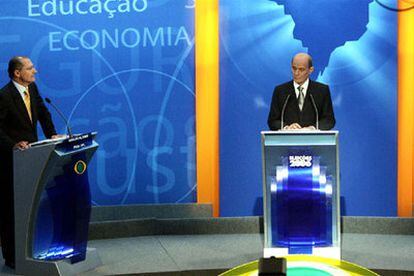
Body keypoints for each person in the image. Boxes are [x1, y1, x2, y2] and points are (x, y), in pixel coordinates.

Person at [0, 56, 59, 269]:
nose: (35, 71)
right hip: (11, 162)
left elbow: (43, 113)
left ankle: (31, 251)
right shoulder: (4, 96)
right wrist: (13, 144)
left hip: (32, 159)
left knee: (30, 204)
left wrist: (52, 134)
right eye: (30, 68)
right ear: (17, 73)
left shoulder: (32, 90)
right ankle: (12, 256)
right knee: (10, 209)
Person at [267, 53, 335, 130]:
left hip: (313, 140)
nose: (296, 73)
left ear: (310, 70)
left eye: (301, 69)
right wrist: (286, 127)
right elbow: (272, 121)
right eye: (294, 68)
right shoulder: (280, 91)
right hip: (288, 140)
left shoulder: (322, 90)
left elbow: (329, 120)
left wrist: (312, 128)